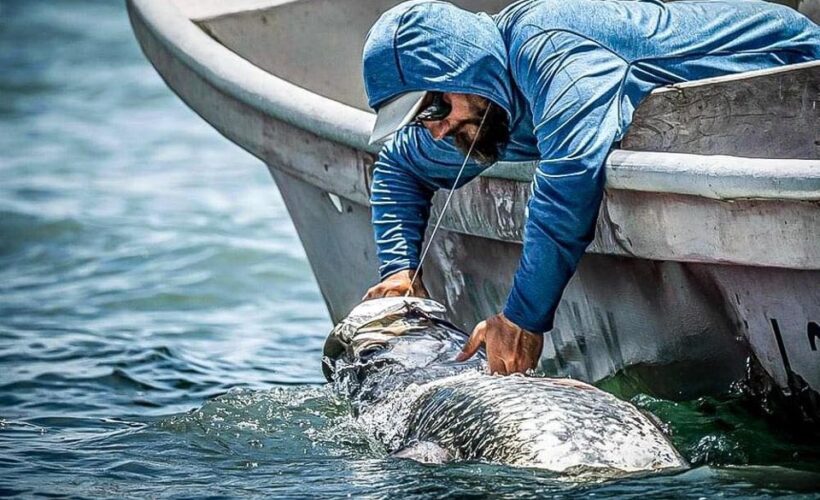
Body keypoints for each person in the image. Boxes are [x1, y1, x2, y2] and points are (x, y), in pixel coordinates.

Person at [360, 0, 820, 375]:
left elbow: (571, 172)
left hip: (791, 69)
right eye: (421, 117)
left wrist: (522, 319)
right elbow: (400, 166)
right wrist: (399, 272)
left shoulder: (550, 46)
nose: (436, 130)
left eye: (434, 107)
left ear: (468, 68)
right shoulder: (475, 110)